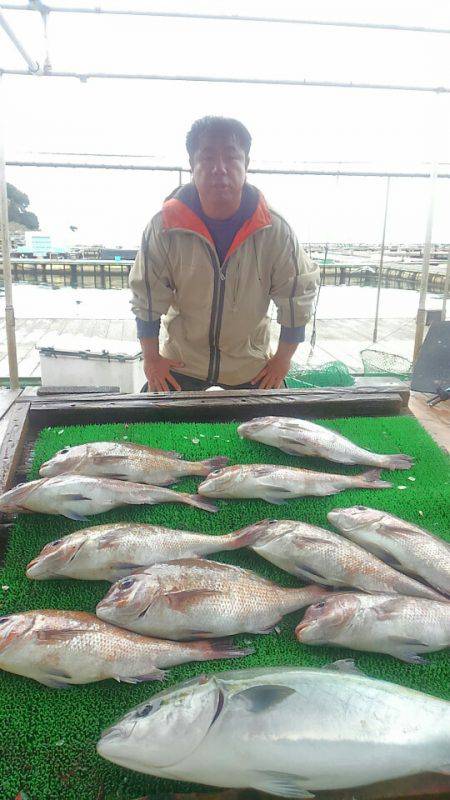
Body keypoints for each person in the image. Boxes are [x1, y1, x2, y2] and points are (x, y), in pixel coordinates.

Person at [130, 116, 319, 392]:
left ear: (246, 165)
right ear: (192, 166)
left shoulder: (276, 230)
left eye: (231, 157)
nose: (220, 169)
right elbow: (146, 297)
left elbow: (296, 298)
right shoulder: (163, 227)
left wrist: (282, 360)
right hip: (181, 363)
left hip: (251, 365)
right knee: (148, 426)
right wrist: (151, 359)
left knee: (278, 421)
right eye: (207, 158)